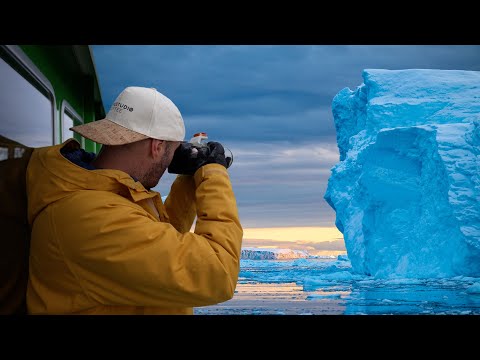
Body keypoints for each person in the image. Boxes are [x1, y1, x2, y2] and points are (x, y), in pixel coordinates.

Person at [26, 86, 243, 315]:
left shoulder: (103, 195)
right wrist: (214, 172)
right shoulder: (92, 217)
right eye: (172, 152)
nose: (171, 161)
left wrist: (189, 182)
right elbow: (218, 273)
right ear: (157, 147)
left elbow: (159, 245)